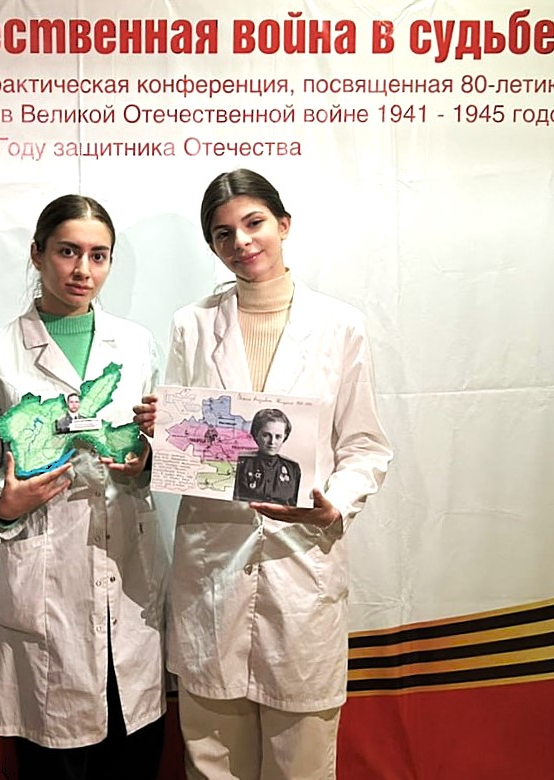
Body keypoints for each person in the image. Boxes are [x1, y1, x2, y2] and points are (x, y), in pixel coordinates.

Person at [134, 169, 392, 780]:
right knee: (212, 761)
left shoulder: (340, 326)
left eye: (254, 224)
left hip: (300, 562)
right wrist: (162, 428)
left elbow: (365, 445)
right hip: (213, 564)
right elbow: (191, 446)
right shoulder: (192, 324)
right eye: (223, 234)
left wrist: (334, 504)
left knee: (300, 761)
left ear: (283, 224)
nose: (242, 242)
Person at [0, 195, 167, 779]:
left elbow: (157, 443)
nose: (83, 270)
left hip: (126, 576)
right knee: (54, 762)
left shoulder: (136, 345)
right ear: (37, 254)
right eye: (68, 252)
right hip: (46, 577)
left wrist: (146, 458)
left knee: (132, 756)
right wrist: (3, 502)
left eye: (99, 256)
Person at [232, 407, 300, 505]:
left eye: (278, 436)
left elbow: (294, 505)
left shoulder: (292, 468)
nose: (272, 442)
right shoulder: (242, 463)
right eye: (266, 435)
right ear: (256, 434)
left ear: (285, 437)